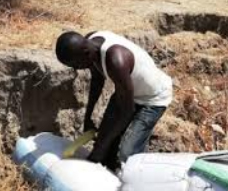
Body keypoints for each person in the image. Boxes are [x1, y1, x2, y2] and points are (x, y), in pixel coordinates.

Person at [55, 30, 173, 171]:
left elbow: (127, 111)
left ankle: (141, 176)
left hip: (153, 99)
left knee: (126, 154)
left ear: (86, 53)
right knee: (105, 147)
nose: (76, 69)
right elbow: (98, 80)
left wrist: (102, 145)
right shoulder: (90, 45)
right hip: (127, 92)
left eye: (76, 65)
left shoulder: (116, 61)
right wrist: (88, 117)